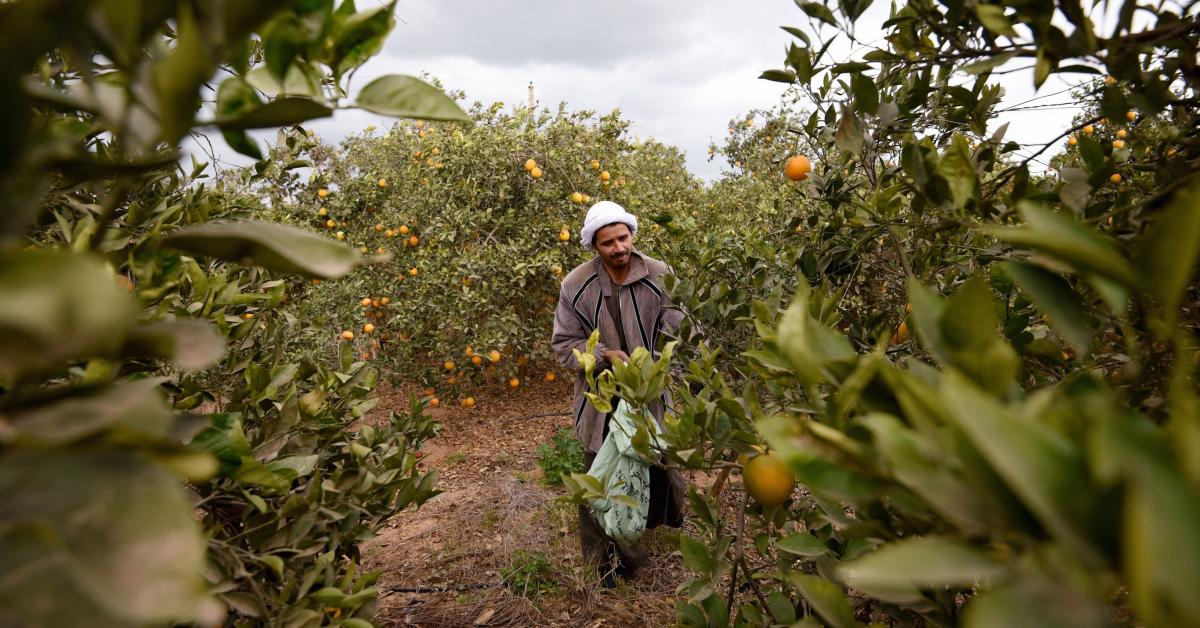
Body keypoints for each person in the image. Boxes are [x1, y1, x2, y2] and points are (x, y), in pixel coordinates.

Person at [551, 200, 686, 585]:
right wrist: (603, 356)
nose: (618, 248)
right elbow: (564, 344)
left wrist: (653, 367)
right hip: (601, 398)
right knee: (601, 473)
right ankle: (607, 567)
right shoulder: (576, 285)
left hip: (650, 393)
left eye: (623, 238)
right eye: (608, 242)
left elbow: (681, 334)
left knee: (659, 468)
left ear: (632, 235)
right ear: (595, 246)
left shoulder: (659, 275)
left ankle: (653, 521)